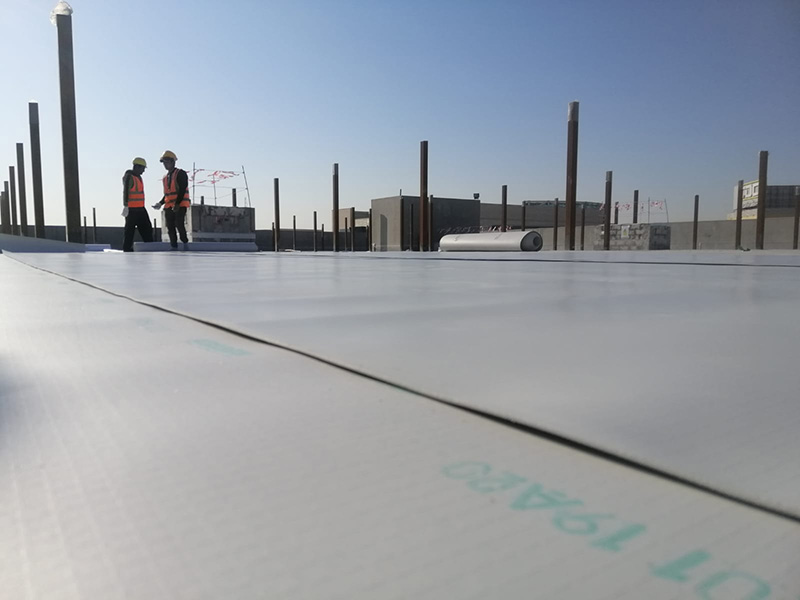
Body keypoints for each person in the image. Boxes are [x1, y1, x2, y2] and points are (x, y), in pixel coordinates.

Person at [152, 150, 190, 250]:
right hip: (169, 205)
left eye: (167, 161)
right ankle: (174, 245)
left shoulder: (180, 173)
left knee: (179, 224)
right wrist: (160, 203)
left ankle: (185, 243)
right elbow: (167, 194)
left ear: (173, 161)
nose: (165, 164)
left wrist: (177, 204)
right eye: (164, 162)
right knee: (170, 226)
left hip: (180, 204)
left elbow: (182, 189)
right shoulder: (165, 177)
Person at [122, 157, 154, 252]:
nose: (143, 171)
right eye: (143, 168)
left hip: (140, 209)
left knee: (147, 229)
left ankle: (150, 246)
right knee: (129, 231)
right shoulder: (129, 177)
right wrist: (126, 205)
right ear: (137, 167)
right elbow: (126, 191)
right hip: (132, 210)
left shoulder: (138, 177)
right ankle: (127, 249)